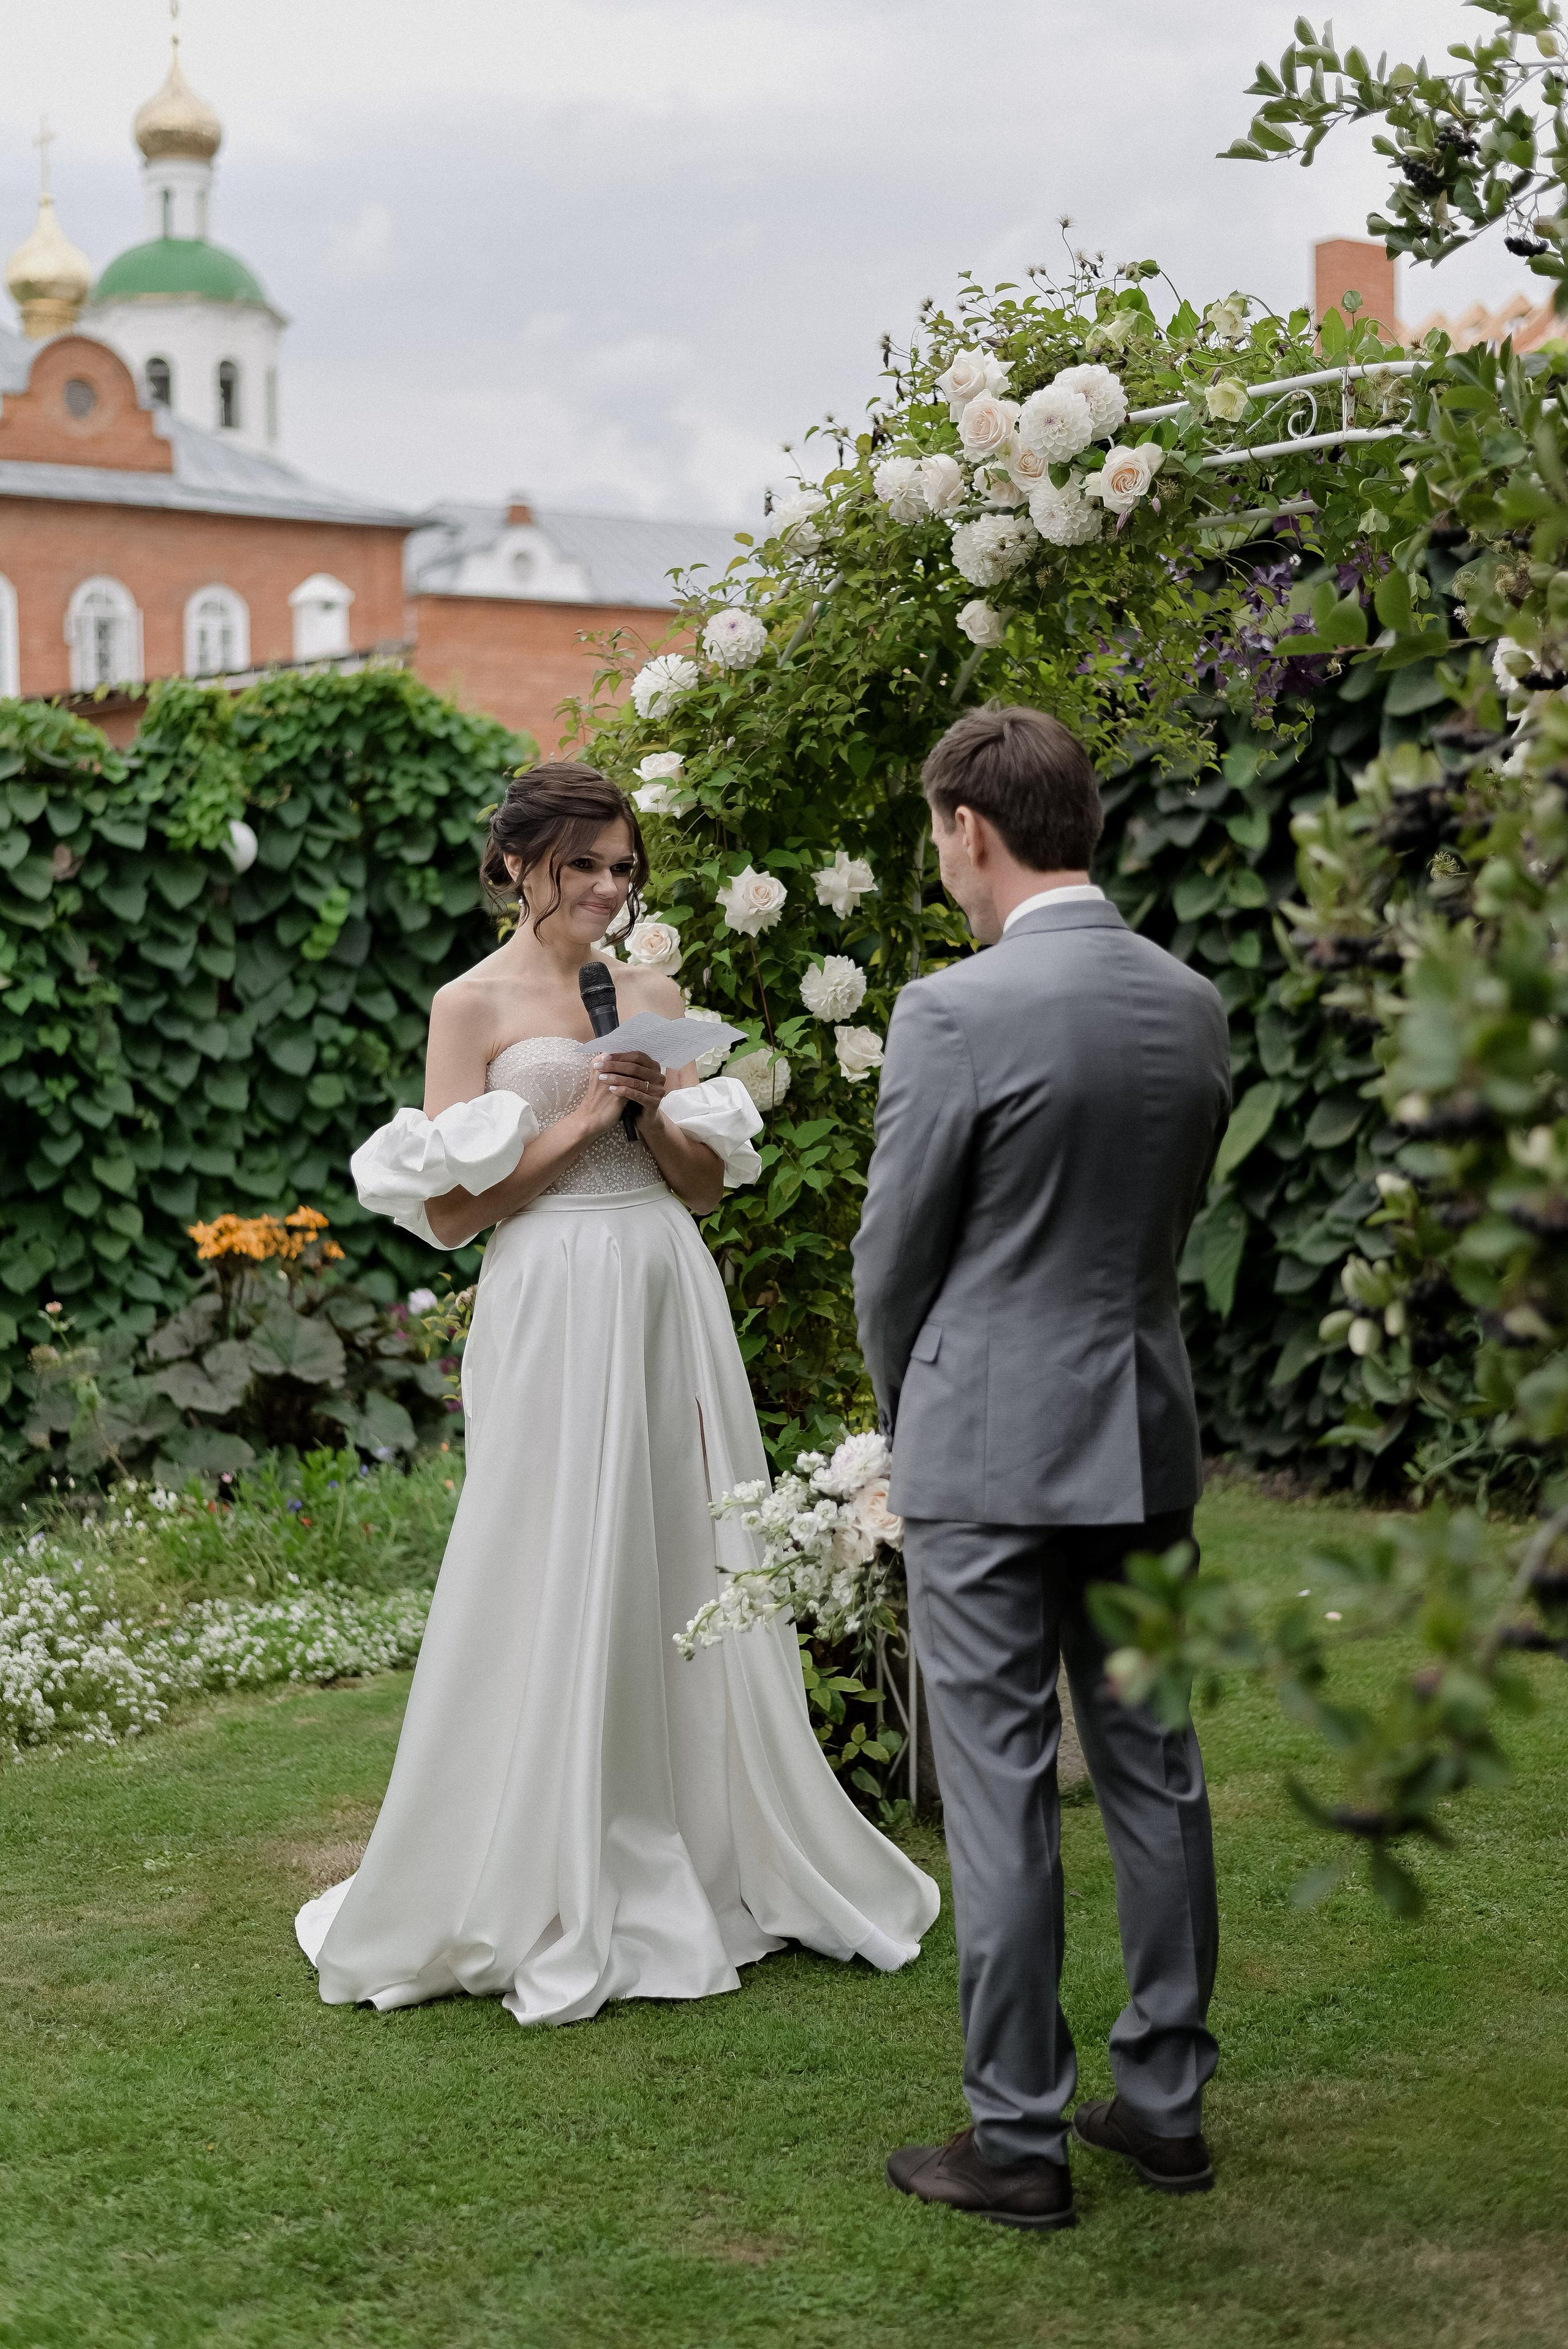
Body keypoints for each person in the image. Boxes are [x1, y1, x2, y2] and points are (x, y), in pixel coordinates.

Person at [297, 762, 937, 2024]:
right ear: (517, 866)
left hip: (658, 1277)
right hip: (544, 1290)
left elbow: (702, 1187)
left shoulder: (649, 991)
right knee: (541, 1542)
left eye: (622, 867)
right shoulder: (466, 1005)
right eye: (581, 864)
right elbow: (447, 1209)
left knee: (681, 1538)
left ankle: (702, 1841)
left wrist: (650, 1119)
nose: (605, 888)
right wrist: (582, 1111)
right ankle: (535, 1848)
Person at [852, 705, 1232, 2232]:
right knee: (1155, 1769)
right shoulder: (1188, 1000)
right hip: (1139, 1431)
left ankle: (1012, 2138)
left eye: (935, 832)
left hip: (987, 1457)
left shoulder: (952, 1011)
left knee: (1001, 1792)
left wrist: (907, 1414)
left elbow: (894, 1259)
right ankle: (1164, 2107)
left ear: (969, 829)